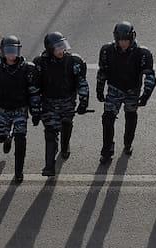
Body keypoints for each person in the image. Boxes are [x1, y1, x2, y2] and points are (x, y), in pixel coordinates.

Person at [0, 35, 41, 182]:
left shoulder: (28, 68)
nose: (11, 55)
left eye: (14, 51)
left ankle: (19, 172)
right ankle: (7, 138)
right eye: (8, 51)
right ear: (2, 51)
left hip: (20, 109)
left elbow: (34, 92)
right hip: (2, 109)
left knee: (21, 140)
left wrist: (35, 111)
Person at [96, 21, 156, 164]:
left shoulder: (142, 53)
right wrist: (99, 88)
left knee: (130, 117)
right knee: (107, 119)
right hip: (114, 89)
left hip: (132, 91)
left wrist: (146, 95)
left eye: (126, 40)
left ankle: (128, 143)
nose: (123, 43)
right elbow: (103, 71)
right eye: (120, 40)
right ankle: (107, 150)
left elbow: (150, 76)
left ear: (132, 38)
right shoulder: (107, 51)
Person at [34, 31, 89, 176]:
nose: (61, 50)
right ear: (49, 49)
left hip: (67, 101)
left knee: (66, 124)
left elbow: (81, 82)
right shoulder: (40, 64)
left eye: (62, 46)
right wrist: (35, 108)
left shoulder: (74, 61)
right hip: (49, 103)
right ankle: (49, 166)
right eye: (57, 47)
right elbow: (35, 88)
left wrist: (84, 101)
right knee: (50, 133)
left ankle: (65, 146)